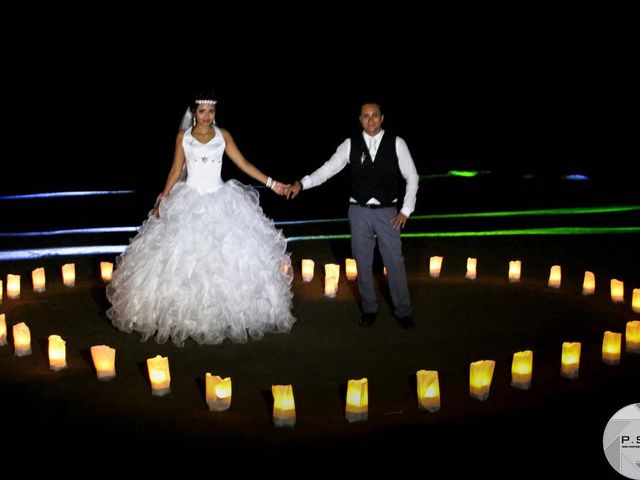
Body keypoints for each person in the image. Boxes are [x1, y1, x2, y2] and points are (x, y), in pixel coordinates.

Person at [106, 93, 296, 346]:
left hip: (221, 199)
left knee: (229, 259)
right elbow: (176, 170)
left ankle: (228, 314)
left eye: (211, 111)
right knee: (183, 260)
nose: (207, 116)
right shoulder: (182, 137)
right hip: (190, 200)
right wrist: (163, 198)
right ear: (194, 113)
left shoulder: (223, 135)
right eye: (203, 111)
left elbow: (244, 164)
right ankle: (186, 316)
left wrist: (273, 184)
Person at [286, 101, 418, 329]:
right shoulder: (350, 144)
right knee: (362, 264)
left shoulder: (397, 143)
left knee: (394, 263)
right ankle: (369, 309)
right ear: (360, 119)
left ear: (382, 117)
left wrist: (406, 210)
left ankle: (403, 311)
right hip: (359, 213)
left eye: (375, 115)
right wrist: (301, 184)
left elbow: (413, 178)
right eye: (366, 116)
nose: (371, 119)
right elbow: (328, 169)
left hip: (388, 213)